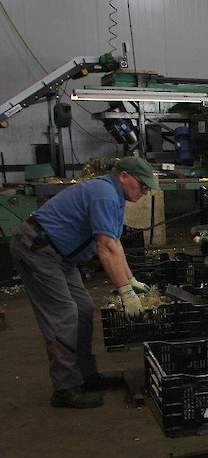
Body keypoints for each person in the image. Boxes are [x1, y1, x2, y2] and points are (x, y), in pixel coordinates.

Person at [9, 157, 159, 408]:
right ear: (123, 176)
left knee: (83, 309)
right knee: (64, 314)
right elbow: (105, 247)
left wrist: (130, 279)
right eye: (142, 185)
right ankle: (65, 389)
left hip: (62, 256)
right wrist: (125, 292)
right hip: (38, 250)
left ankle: (86, 376)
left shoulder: (115, 197)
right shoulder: (104, 195)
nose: (144, 192)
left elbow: (115, 242)